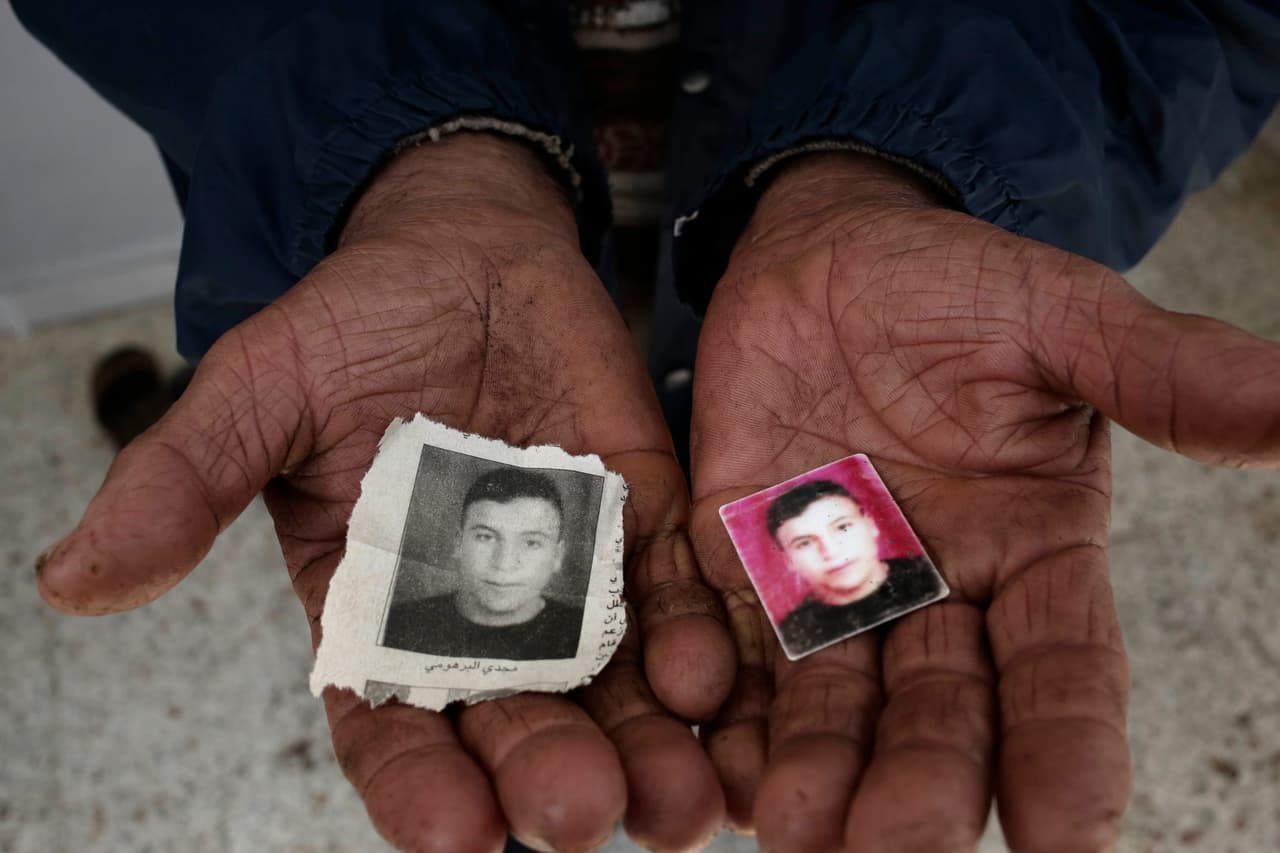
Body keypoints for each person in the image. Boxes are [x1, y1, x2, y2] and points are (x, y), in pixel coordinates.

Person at [14, 2, 1280, 852]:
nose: (509, 560)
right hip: (394, 245)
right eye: (499, 546)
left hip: (869, 261)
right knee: (333, 447)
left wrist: (913, 161)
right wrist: (402, 156)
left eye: (515, 547)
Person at [382, 468, 584, 660]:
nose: (504, 564)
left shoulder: (585, 633)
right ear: (458, 543)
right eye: (485, 537)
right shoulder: (395, 625)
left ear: (557, 556)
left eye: (531, 542)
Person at [766, 479, 944, 657]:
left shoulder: (933, 573)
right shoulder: (796, 633)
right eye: (804, 543)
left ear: (870, 524)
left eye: (842, 527)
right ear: (788, 560)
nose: (831, 551)